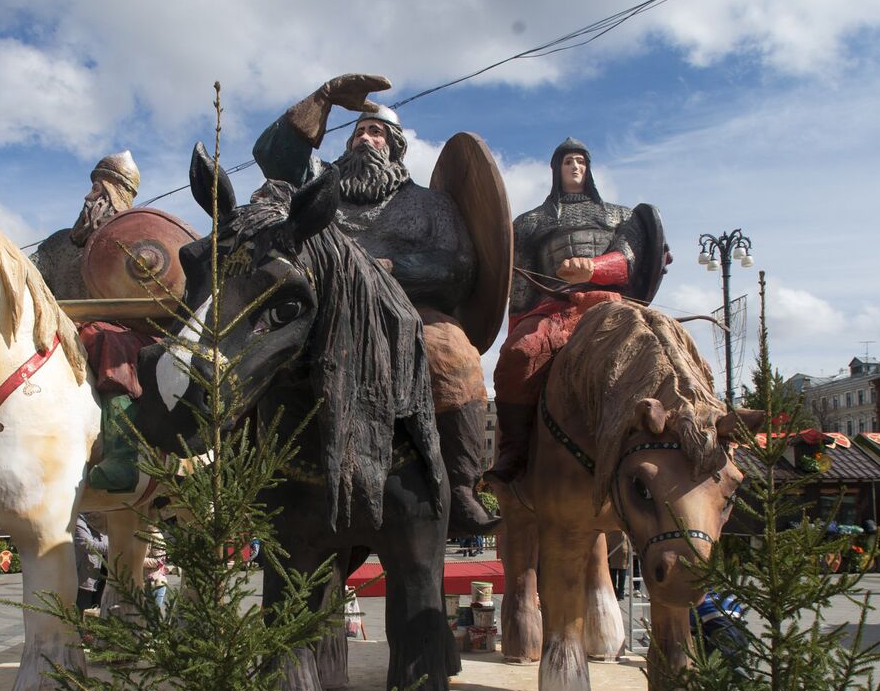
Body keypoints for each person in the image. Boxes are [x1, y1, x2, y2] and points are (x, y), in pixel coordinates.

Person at [253, 73, 498, 535]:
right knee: (250, 347)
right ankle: (243, 472)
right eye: (359, 132)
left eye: (377, 132)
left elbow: (457, 267)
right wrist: (321, 100)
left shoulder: (430, 205)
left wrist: (387, 267)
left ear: (395, 147)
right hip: (317, 310)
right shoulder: (321, 187)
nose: (366, 138)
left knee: (455, 355)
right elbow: (275, 157)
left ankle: (462, 485)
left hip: (404, 312)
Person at [488, 139, 670, 484]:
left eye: (582, 162)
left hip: (611, 304)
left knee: (669, 351)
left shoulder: (620, 215)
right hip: (556, 307)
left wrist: (594, 269)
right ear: (556, 169)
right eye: (569, 161)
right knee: (518, 354)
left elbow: (628, 260)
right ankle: (515, 447)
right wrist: (515, 332)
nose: (576, 167)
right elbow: (521, 287)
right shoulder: (530, 222)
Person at [32, 151, 152, 492]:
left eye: (100, 191)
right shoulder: (57, 244)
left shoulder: (135, 245)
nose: (89, 198)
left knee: (106, 339)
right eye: (91, 189)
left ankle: (122, 452)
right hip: (58, 330)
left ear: (118, 196)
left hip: (121, 336)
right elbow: (26, 277)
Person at [73, 514, 107, 612]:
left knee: (98, 615)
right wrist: (115, 546)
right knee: (82, 614)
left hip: (103, 578)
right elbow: (87, 544)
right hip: (85, 579)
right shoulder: (79, 519)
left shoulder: (105, 518)